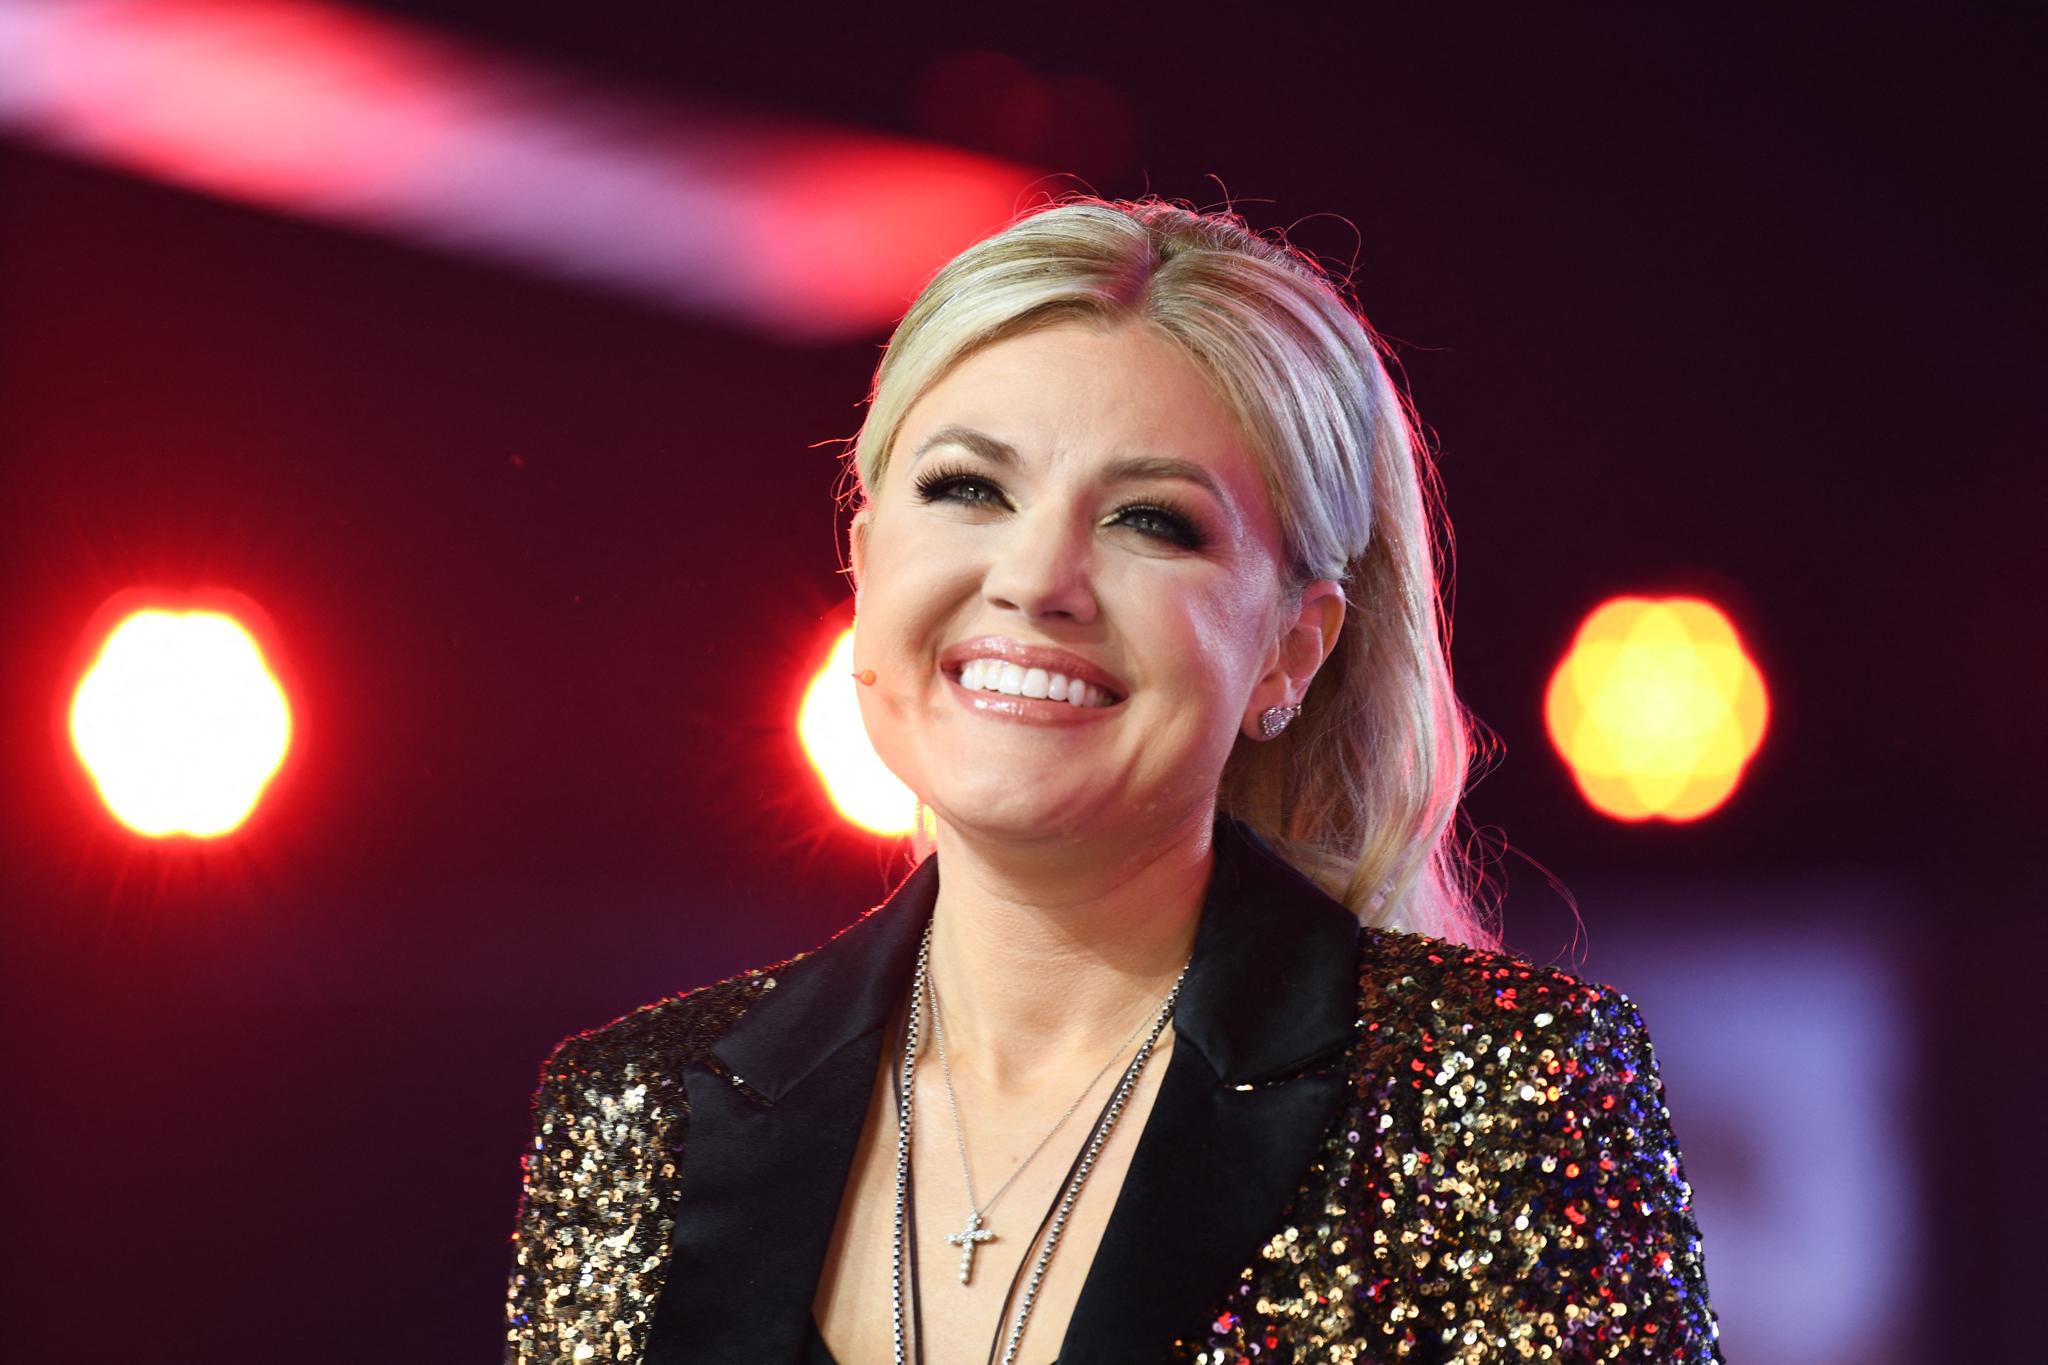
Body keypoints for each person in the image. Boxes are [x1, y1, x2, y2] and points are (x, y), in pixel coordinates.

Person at [502, 197, 1722, 1364]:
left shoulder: (1499, 1095)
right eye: (969, 489)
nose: (1036, 579)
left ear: (1291, 648)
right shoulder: (638, 1111)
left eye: (1150, 520)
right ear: (866, 563)